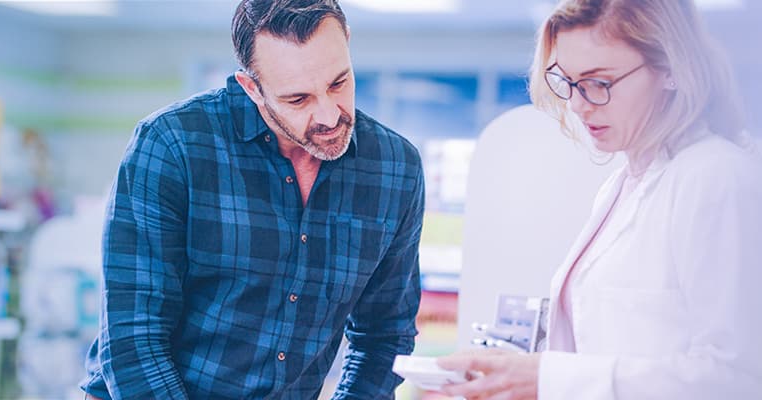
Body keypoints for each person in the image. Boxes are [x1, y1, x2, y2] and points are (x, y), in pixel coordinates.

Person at [80, 0, 425, 398]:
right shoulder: (173, 146)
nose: (330, 117)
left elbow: (384, 337)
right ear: (252, 88)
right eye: (298, 99)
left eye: (338, 83)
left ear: (347, 42)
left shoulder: (395, 169)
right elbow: (133, 338)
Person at [436, 0, 762, 399]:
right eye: (568, 82)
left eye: (599, 82)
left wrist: (549, 379)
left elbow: (740, 377)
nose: (577, 104)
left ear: (672, 69)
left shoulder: (716, 178)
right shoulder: (622, 184)